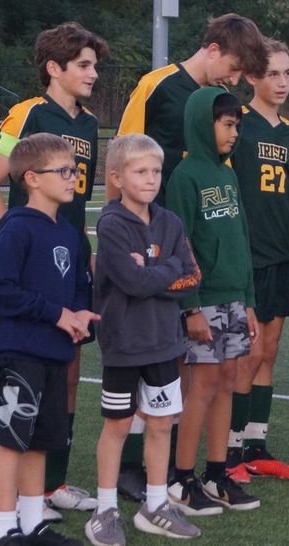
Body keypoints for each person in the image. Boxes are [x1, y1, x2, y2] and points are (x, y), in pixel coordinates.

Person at [0, 22, 106, 517]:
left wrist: (83, 252)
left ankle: (52, 485)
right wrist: (16, 243)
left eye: (94, 64)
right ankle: (21, 503)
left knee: (67, 372)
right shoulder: (27, 113)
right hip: (33, 267)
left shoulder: (91, 124)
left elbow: (79, 203)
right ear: (54, 68)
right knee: (28, 372)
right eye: (84, 66)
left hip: (70, 263)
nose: (93, 74)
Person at [87, 135, 202, 544]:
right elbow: (132, 283)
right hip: (124, 343)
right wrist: (166, 268)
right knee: (118, 426)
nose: (151, 178)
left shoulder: (170, 221)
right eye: (141, 172)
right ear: (117, 178)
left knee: (160, 424)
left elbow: (191, 277)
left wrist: (158, 265)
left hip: (164, 342)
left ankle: (155, 506)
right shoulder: (112, 223)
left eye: (155, 171)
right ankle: (104, 510)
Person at [0, 133, 96, 545]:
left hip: (53, 352)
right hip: (17, 351)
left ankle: (32, 524)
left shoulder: (68, 233)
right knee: (12, 440)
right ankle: (4, 528)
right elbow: (0, 289)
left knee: (40, 443)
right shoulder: (15, 228)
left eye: (76, 170)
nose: (74, 178)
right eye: (64, 171)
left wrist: (81, 312)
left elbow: (80, 286)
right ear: (31, 178)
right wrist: (56, 313)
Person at [166, 87, 261, 514]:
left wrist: (249, 300)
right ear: (204, 125)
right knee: (201, 387)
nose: (234, 132)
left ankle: (216, 473)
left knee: (227, 382)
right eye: (227, 124)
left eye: (237, 125)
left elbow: (240, 239)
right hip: (202, 302)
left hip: (234, 299)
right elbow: (180, 245)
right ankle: (182, 479)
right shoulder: (186, 178)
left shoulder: (227, 174)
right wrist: (190, 306)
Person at [228, 40, 289, 480]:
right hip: (247, 257)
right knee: (248, 353)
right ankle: (230, 452)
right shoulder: (236, 126)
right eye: (272, 74)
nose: (281, 82)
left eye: (286, 73)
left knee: (270, 351)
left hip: (282, 258)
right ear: (251, 78)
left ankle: (257, 444)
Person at [114, 13, 268, 205]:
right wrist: (115, 218)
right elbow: (119, 155)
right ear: (213, 50)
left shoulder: (221, 97)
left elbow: (221, 168)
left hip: (201, 223)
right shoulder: (156, 85)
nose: (235, 80)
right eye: (233, 68)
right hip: (156, 220)